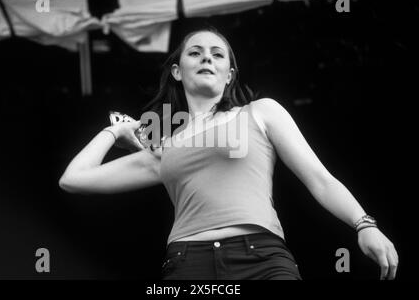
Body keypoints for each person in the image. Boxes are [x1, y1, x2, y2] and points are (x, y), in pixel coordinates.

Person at [59, 28, 398, 280]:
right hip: (186, 264)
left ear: (229, 74)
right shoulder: (165, 148)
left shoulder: (260, 112)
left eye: (217, 54)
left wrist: (362, 223)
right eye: (195, 52)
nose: (207, 57)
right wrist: (115, 132)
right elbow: (73, 180)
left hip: (261, 258)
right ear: (177, 71)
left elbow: (320, 180)